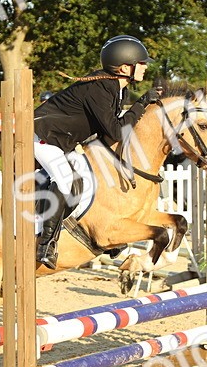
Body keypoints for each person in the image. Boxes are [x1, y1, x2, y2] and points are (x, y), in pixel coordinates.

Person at [31, 35, 161, 269]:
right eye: (141, 63)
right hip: (44, 137)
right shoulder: (100, 87)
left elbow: (107, 133)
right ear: (124, 67)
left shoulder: (117, 89)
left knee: (90, 179)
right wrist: (142, 104)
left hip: (64, 142)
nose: (145, 66)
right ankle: (46, 244)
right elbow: (116, 132)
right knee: (65, 179)